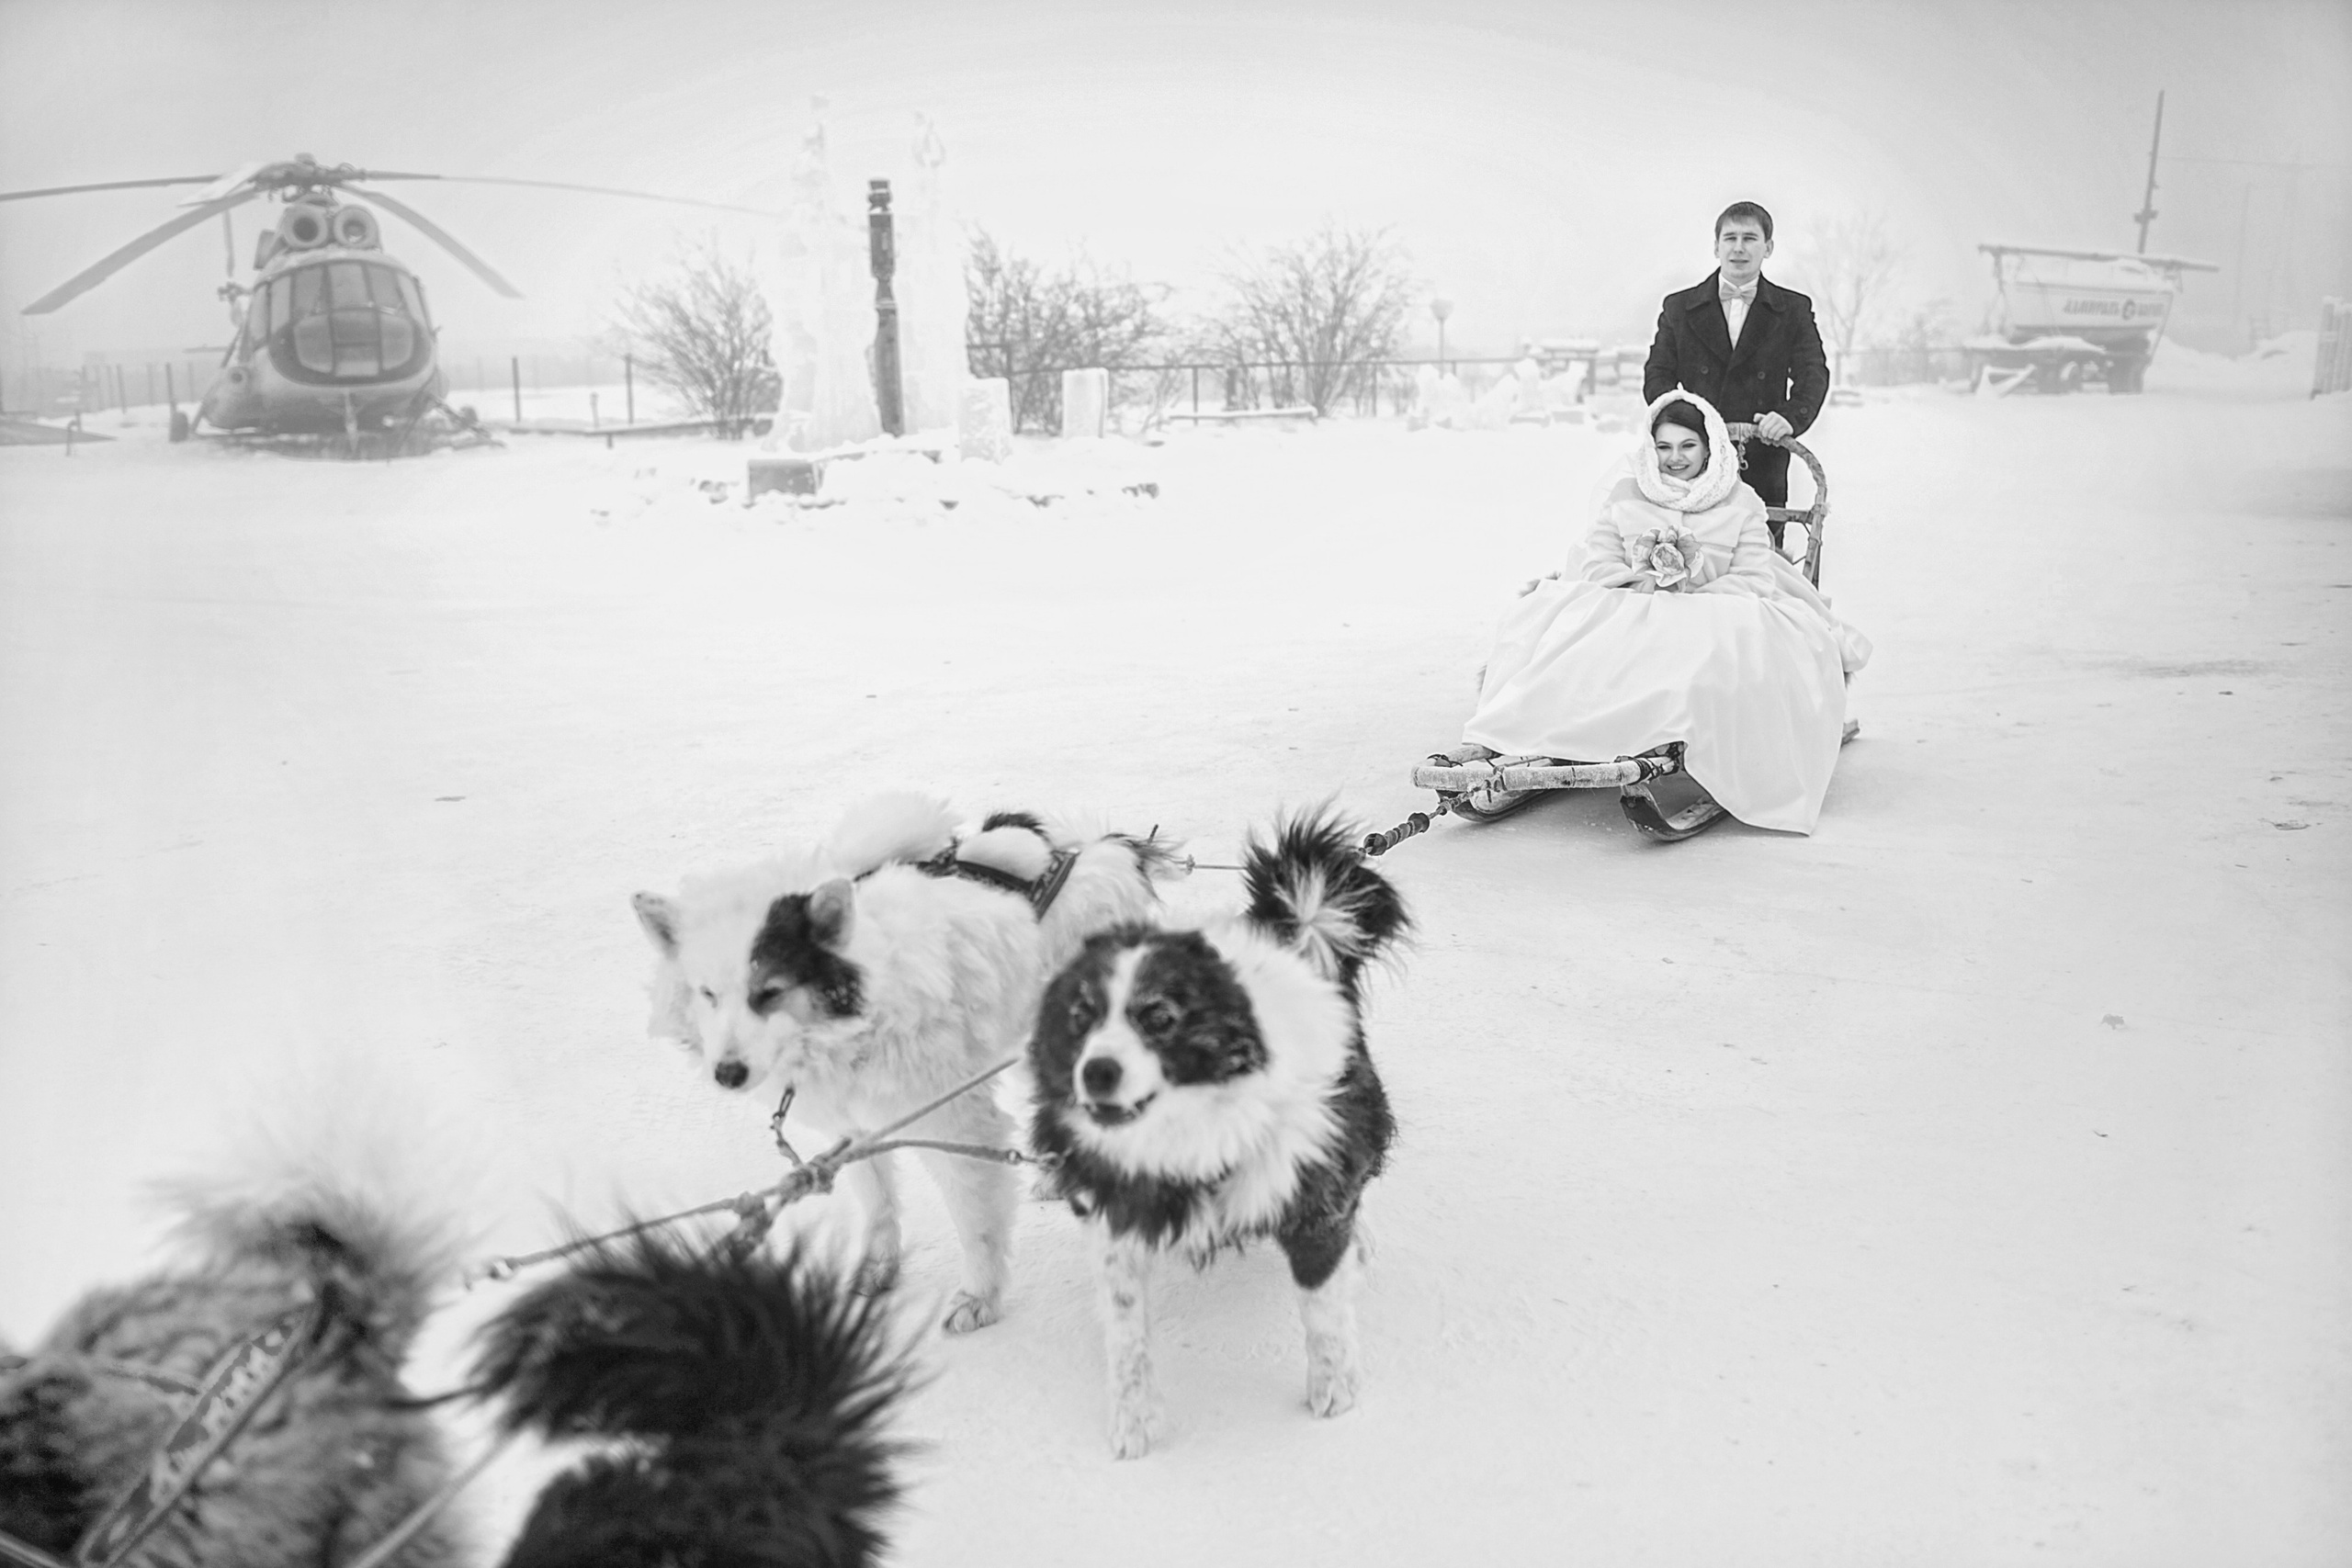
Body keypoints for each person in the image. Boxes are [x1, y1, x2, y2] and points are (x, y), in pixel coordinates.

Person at [1460, 390, 1870, 835]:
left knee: (1710, 645)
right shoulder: (1628, 493)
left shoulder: (1741, 501)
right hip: (1633, 598)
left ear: (1709, 447)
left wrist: (1693, 587)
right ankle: (1551, 732)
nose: (1675, 458)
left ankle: (1699, 747)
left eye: (1688, 446)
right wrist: (1643, 581)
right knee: (1569, 633)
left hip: (1715, 605)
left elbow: (1754, 575)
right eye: (1664, 446)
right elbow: (1598, 560)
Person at [1643, 201, 1829, 512]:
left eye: (1750, 238)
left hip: (1763, 456)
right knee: (1693, 551)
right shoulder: (1679, 307)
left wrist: (1787, 418)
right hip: (1694, 459)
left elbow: (1813, 374)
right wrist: (1686, 426)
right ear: (1716, 247)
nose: (1739, 248)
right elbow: (1657, 377)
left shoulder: (1793, 309)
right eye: (1730, 238)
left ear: (1768, 247)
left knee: (1762, 551)